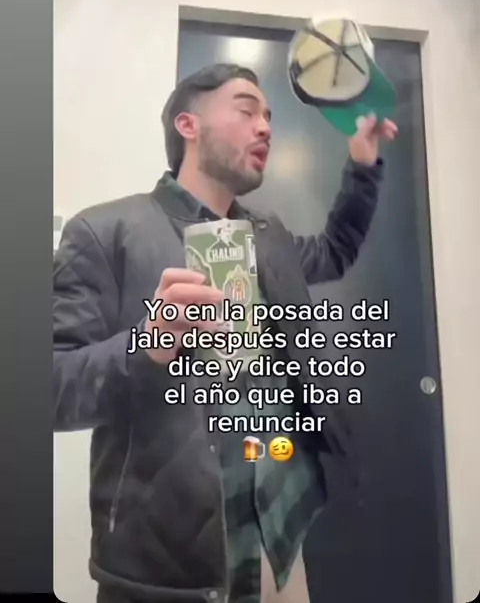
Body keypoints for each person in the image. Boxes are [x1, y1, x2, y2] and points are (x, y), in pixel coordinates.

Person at [53, 63, 397, 603]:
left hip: (282, 535)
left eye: (269, 116)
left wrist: (363, 166)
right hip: (171, 570)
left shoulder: (267, 234)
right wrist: (151, 341)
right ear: (188, 125)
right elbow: (52, 388)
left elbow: (335, 250)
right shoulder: (104, 233)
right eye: (246, 110)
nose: (265, 127)